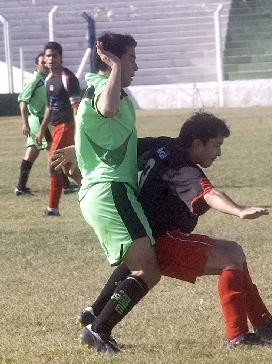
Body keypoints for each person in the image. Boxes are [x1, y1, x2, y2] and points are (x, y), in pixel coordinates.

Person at [53, 112, 272, 352]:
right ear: (197, 143)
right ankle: (238, 335)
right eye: (216, 145)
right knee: (231, 255)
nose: (219, 153)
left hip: (146, 236)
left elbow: (122, 151)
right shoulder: (183, 167)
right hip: (163, 240)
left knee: (234, 257)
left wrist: (79, 152)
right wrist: (238, 210)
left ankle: (263, 323)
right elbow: (210, 193)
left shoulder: (162, 146)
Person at [70, 32, 161, 354]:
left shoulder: (103, 88)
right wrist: (114, 70)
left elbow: (103, 131)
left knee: (137, 258)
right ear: (113, 58)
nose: (136, 65)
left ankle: (96, 313)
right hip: (112, 191)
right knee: (147, 269)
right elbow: (106, 110)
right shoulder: (102, 86)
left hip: (108, 190)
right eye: (131, 58)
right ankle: (99, 330)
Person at [35, 41, 81, 216]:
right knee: (71, 168)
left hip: (67, 126)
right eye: (48, 56)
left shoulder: (67, 77)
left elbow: (76, 107)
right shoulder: (48, 79)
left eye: (54, 55)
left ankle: (52, 209)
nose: (51, 59)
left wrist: (78, 133)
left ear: (61, 57)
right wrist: (41, 129)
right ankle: (95, 195)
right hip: (55, 128)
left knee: (53, 164)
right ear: (44, 59)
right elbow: (49, 106)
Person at [15, 52, 50, 196]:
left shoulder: (45, 79)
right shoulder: (34, 80)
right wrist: (25, 123)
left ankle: (21, 187)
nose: (46, 65)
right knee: (54, 150)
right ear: (37, 65)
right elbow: (23, 102)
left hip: (43, 120)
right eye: (43, 63)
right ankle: (65, 184)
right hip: (38, 120)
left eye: (47, 62)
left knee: (32, 153)